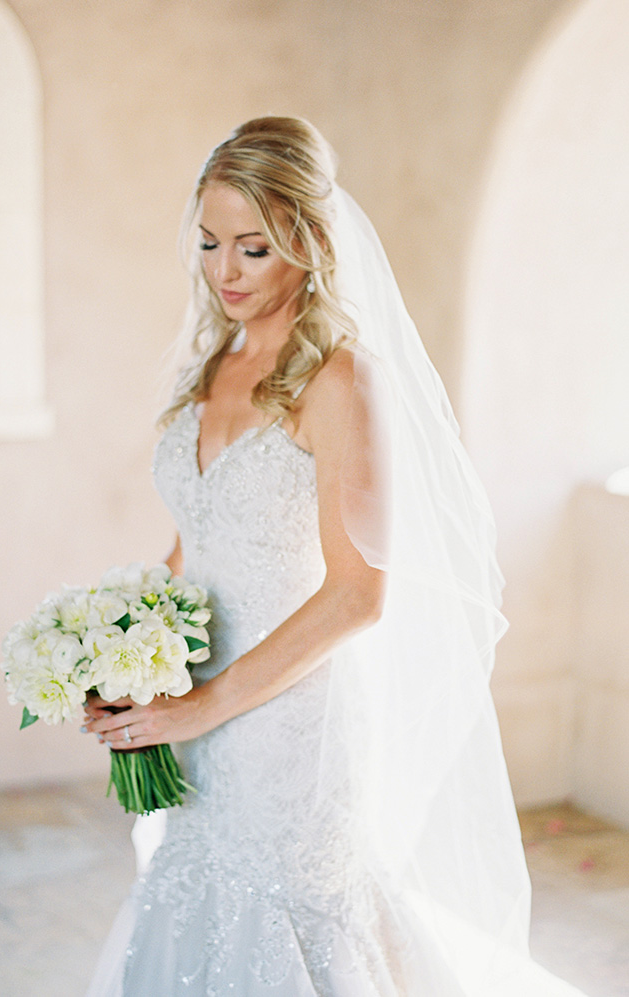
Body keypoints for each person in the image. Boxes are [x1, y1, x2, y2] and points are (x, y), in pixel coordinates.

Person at [83, 117, 585, 996]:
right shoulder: (210, 366)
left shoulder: (340, 381)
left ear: (310, 244)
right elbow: (190, 545)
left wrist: (204, 709)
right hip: (197, 707)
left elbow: (358, 594)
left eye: (253, 247)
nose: (225, 271)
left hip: (290, 735)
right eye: (209, 242)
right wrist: (122, 657)